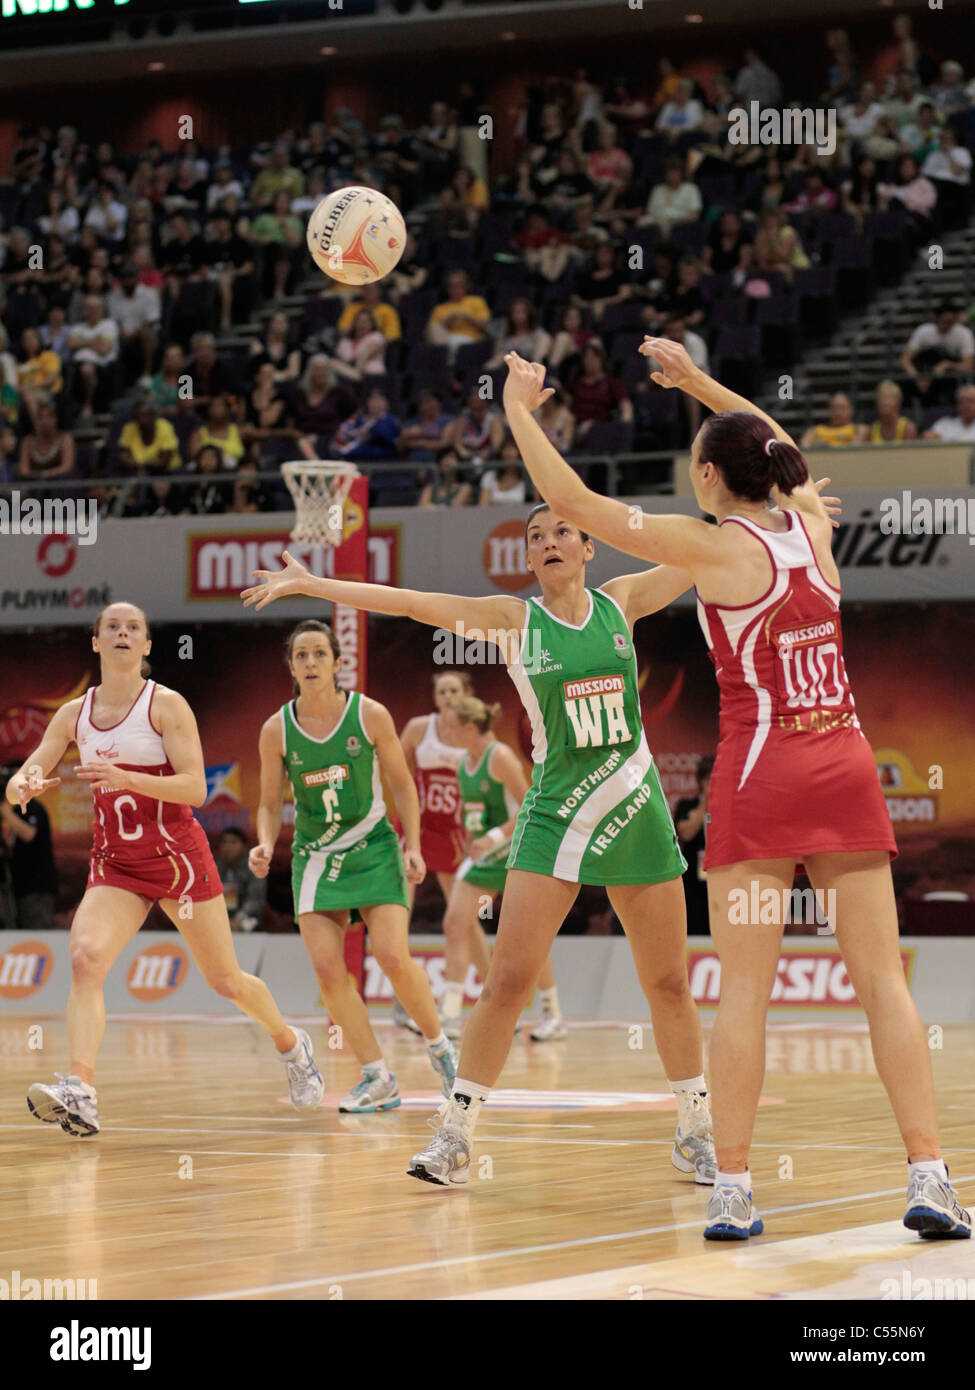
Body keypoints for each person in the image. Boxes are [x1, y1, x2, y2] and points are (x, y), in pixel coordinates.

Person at [501, 341, 970, 1243]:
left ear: (710, 477)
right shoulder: (808, 527)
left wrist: (521, 410)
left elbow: (572, 504)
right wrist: (699, 388)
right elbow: (779, 445)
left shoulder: (710, 547)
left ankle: (736, 1190)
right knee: (882, 984)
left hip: (764, 778)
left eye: (694, 464)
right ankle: (930, 1178)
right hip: (842, 763)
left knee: (745, 995)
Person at [241, 514, 724, 1193]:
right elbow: (410, 602)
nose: (549, 542)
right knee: (505, 983)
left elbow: (708, 552)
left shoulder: (622, 601)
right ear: (527, 556)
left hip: (633, 804)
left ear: (589, 547)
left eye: (562, 531)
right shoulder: (512, 620)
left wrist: (769, 508)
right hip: (556, 810)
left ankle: (695, 1131)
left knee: (668, 983)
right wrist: (313, 582)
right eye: (535, 536)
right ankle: (456, 1133)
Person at [8, 602, 324, 1138]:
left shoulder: (166, 706)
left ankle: (291, 1045)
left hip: (178, 860)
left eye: (135, 627)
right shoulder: (74, 714)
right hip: (117, 866)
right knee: (85, 959)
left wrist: (127, 777)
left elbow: (196, 788)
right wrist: (22, 785)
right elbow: (34, 765)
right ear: (97, 643)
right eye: (113, 627)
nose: (124, 633)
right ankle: (81, 1092)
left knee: (226, 981)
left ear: (148, 646)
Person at [247, 620, 458, 1111]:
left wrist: (414, 846)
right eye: (301, 656)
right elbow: (267, 802)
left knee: (391, 955)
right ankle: (377, 1076)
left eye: (320, 654)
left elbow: (404, 785)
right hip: (315, 856)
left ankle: (441, 1048)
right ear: (292, 666)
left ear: (338, 663)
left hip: (374, 847)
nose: (311, 663)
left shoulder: (370, 715)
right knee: (326, 970)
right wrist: (263, 841)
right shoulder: (276, 728)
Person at [444, 697, 565, 1042]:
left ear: (469, 728)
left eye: (452, 726)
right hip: (485, 856)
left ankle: (552, 1014)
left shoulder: (500, 757)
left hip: (515, 850)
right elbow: (474, 813)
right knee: (456, 921)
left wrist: (495, 836)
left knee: (528, 936)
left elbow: (529, 802)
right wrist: (470, 840)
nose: (447, 732)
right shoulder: (463, 763)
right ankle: (451, 1013)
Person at [0, 769, 59, 931]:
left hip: (37, 887)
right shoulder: (12, 810)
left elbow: (29, 834)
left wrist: (6, 812)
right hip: (18, 886)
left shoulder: (31, 807)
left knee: (36, 933)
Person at [674, 755, 713, 937]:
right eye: (709, 780)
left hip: (720, 884)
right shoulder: (686, 806)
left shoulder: (729, 807)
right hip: (693, 887)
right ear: (701, 781)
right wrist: (706, 801)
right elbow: (686, 833)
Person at [213, 826, 267, 932]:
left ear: (244, 846)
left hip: (246, 917)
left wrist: (238, 918)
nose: (228, 847)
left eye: (233, 843)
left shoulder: (254, 868)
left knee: (248, 924)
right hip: (218, 918)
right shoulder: (213, 867)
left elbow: (255, 900)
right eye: (224, 842)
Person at [858, 380, 917, 444]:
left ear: (898, 402)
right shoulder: (871, 431)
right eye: (881, 398)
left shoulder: (908, 428)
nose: (885, 402)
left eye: (889, 398)